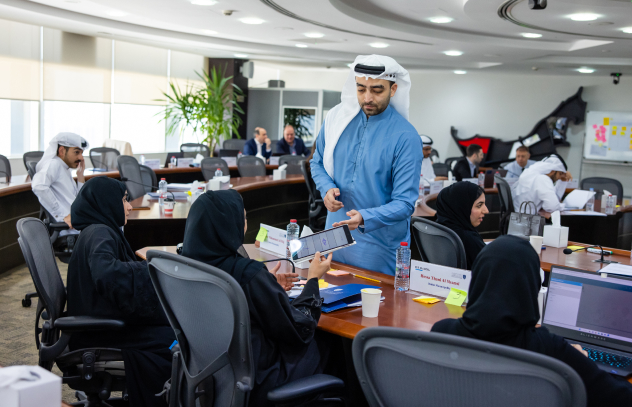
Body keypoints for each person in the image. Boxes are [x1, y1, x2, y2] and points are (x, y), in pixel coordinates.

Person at [431, 236, 632, 407]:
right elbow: (619, 398)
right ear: (530, 287)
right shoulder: (550, 349)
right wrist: (582, 363)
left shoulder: (443, 333)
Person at [181, 189, 334, 406]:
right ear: (229, 226)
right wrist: (312, 280)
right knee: (329, 344)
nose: (245, 223)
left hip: (210, 375)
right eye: (243, 218)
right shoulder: (247, 275)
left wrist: (268, 285)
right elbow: (298, 329)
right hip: (261, 377)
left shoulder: (188, 266)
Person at [66, 177, 175, 407]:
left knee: (172, 333)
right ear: (106, 203)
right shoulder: (100, 233)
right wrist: (148, 270)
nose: (129, 207)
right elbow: (107, 275)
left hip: (97, 324)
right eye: (124, 200)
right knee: (174, 341)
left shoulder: (97, 231)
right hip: (100, 331)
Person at [310, 54, 422, 275]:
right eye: (361, 89)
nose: (368, 97)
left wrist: (365, 218)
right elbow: (317, 162)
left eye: (377, 90)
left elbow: (405, 203)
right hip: (334, 239)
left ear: (393, 89)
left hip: (378, 248)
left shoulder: (406, 137)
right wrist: (326, 188)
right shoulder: (337, 120)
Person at [32, 132, 89, 234]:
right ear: (62, 151)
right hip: (70, 228)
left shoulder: (65, 167)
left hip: (78, 222)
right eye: (76, 152)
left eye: (82, 153)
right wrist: (62, 215)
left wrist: (80, 176)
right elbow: (38, 186)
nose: (81, 158)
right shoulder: (54, 164)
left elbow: (77, 200)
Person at [436, 182, 488, 270]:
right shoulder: (469, 240)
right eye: (479, 205)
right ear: (463, 207)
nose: (486, 210)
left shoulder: (440, 228)